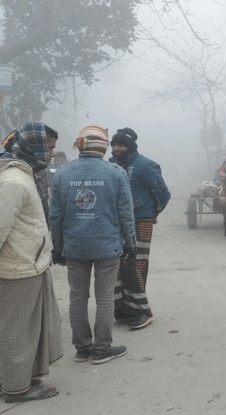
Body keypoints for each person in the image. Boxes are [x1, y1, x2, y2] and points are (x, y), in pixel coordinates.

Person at [50, 125, 135, 365]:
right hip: (107, 247)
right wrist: (131, 244)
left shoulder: (62, 174)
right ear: (104, 147)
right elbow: (125, 215)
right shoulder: (116, 173)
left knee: (77, 297)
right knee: (105, 297)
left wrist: (58, 247)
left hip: (74, 247)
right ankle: (102, 349)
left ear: (81, 144)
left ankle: (83, 349)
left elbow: (56, 215)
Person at [0, 122, 63, 402]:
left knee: (31, 329)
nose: (51, 154)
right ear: (32, 147)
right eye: (47, 148)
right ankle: (16, 388)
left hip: (30, 263)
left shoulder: (25, 175)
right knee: (17, 331)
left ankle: (23, 377)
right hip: (18, 268)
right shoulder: (13, 181)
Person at [110, 127, 171, 330]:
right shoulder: (110, 165)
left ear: (131, 146)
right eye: (114, 144)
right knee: (118, 265)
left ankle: (142, 311)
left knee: (134, 265)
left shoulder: (145, 165)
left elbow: (163, 193)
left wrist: (153, 213)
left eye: (121, 145)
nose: (117, 148)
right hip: (117, 223)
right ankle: (124, 309)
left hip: (140, 221)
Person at [3, 125, 58, 224]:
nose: (53, 154)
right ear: (35, 148)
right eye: (50, 149)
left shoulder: (30, 172)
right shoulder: (14, 182)